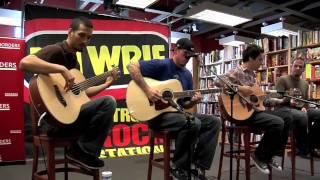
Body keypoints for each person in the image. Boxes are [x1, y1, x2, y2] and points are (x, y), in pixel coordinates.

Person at [19, 17, 118, 169]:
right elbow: (24, 63)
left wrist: (106, 83)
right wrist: (61, 69)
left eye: (89, 37)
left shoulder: (73, 61)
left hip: (69, 119)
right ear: (70, 32)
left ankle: (82, 152)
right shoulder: (57, 50)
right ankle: (81, 151)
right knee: (108, 103)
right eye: (81, 35)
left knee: (107, 107)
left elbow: (81, 93)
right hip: (53, 123)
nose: (85, 40)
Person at [127, 38, 221, 180]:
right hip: (157, 116)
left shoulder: (187, 75)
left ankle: (197, 165)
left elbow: (184, 104)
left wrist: (193, 101)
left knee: (214, 121)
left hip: (177, 115)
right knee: (192, 122)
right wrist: (147, 91)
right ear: (176, 50)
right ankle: (179, 168)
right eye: (185, 54)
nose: (188, 58)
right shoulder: (162, 64)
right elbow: (131, 66)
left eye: (190, 56)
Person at [214, 44, 285, 175]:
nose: (261, 63)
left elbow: (258, 100)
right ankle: (259, 155)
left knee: (284, 118)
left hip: (252, 112)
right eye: (259, 59)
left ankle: (268, 155)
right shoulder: (237, 71)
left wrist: (278, 100)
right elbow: (217, 81)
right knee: (278, 123)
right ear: (251, 58)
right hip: (241, 116)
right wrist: (239, 88)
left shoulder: (253, 76)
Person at [275, 57, 320, 156]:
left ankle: (311, 145)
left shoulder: (305, 84)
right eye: (295, 66)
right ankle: (303, 147)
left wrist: (305, 107)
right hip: (285, 109)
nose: (298, 68)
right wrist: (288, 101)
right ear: (291, 67)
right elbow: (276, 99)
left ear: (303, 69)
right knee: (301, 116)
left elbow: (305, 102)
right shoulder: (282, 80)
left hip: (300, 110)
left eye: (300, 67)